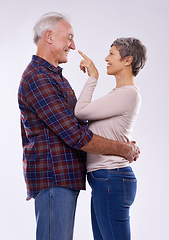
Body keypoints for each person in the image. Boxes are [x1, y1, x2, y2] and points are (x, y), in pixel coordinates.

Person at [18, 12, 140, 240]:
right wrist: (124, 149)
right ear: (49, 37)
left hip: (67, 180)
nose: (73, 46)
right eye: (69, 38)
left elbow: (80, 126)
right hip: (54, 179)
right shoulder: (38, 78)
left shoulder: (55, 78)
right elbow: (76, 135)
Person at [74, 38, 147, 240]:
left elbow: (80, 112)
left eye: (112, 54)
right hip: (106, 179)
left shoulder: (128, 93)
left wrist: (93, 77)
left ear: (128, 60)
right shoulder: (120, 95)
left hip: (111, 178)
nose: (106, 58)